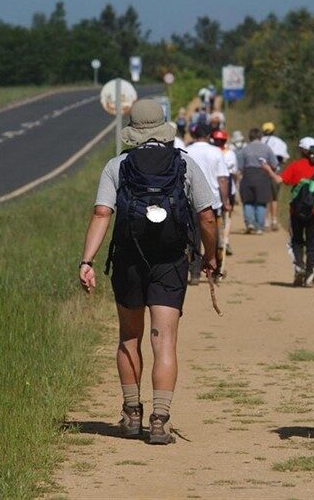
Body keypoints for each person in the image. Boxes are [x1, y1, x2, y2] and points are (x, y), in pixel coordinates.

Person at [79, 99, 218, 445]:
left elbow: (101, 214)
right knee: (164, 339)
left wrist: (87, 261)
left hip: (127, 260)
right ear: (163, 126)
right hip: (170, 261)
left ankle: (131, 412)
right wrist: (210, 256)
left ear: (133, 130)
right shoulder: (184, 164)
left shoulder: (117, 166)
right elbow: (207, 217)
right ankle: (160, 418)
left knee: (129, 336)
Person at [261, 136, 314, 286]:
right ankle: (309, 276)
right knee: (313, 244)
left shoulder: (295, 166)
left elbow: (280, 180)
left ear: (302, 150)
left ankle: (299, 265)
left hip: (296, 211)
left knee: (296, 241)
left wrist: (268, 170)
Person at [186, 123, 231, 284]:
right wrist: (226, 201)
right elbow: (223, 179)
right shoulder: (216, 152)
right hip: (213, 200)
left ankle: (195, 272)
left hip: (190, 200)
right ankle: (215, 269)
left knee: (193, 237)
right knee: (214, 234)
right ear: (208, 136)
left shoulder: (187, 151)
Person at [236, 128, 277, 234]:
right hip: (262, 177)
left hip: (248, 176)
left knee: (248, 201)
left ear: (250, 137)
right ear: (260, 137)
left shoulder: (244, 150)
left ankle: (249, 223)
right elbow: (274, 164)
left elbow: (240, 167)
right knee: (261, 202)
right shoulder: (267, 149)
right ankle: (259, 227)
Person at [211, 129, 238, 257]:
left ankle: (220, 240)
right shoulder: (230, 154)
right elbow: (234, 172)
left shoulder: (211, 152)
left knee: (216, 216)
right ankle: (224, 240)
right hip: (227, 186)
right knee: (227, 216)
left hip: (214, 187)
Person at [261, 122, 290, 231]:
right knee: (274, 197)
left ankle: (266, 221)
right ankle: (274, 220)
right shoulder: (280, 142)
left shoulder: (260, 141)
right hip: (275, 172)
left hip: (263, 172)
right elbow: (285, 158)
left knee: (265, 197)